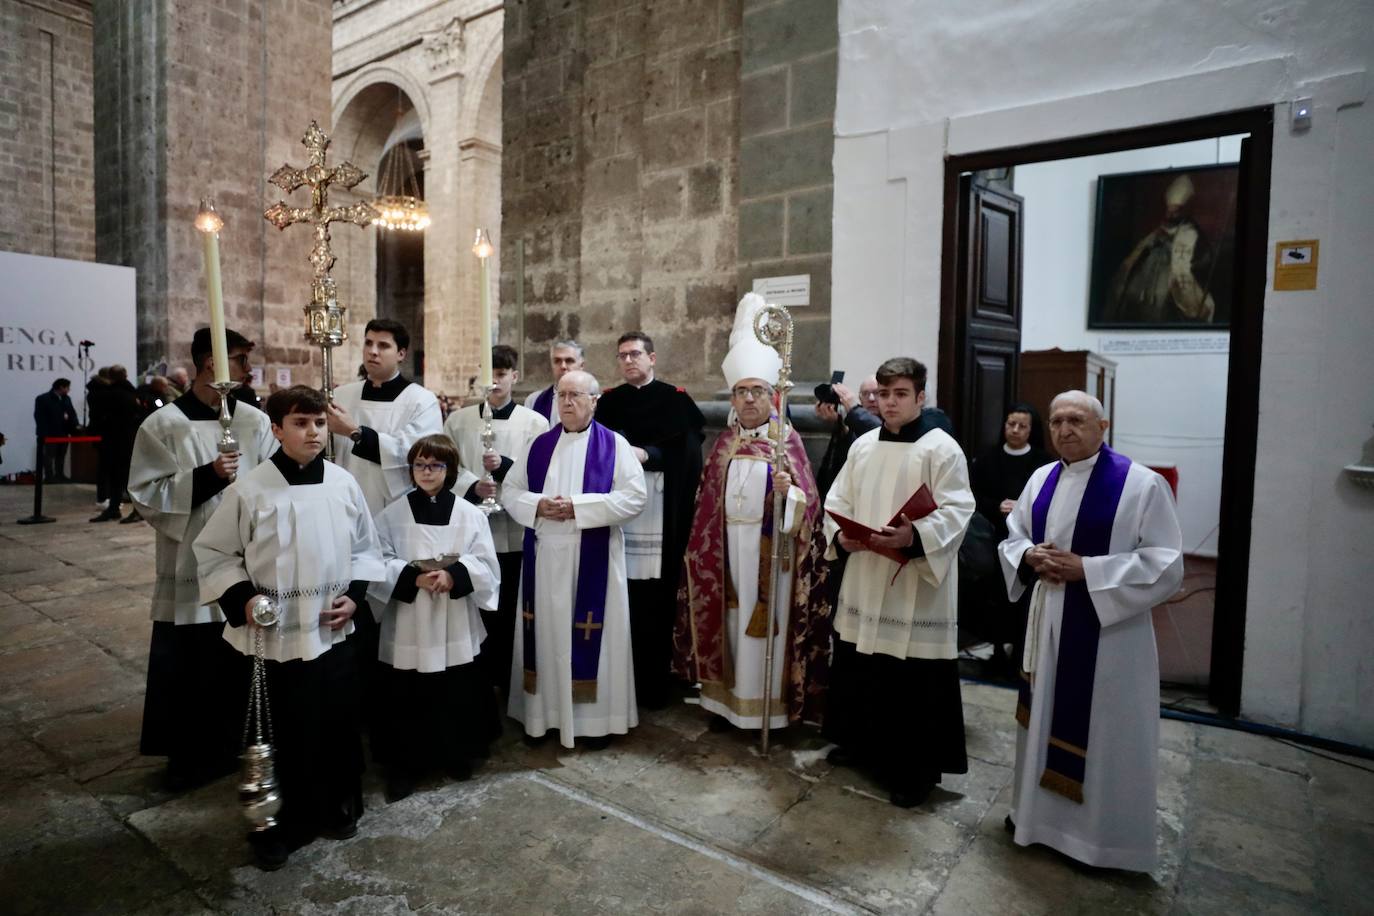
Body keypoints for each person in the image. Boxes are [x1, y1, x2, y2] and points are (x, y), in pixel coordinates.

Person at [194, 385, 385, 872]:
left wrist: (355, 597)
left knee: (334, 724)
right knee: (280, 732)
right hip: (271, 638)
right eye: (301, 423)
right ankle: (273, 825)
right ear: (276, 430)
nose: (314, 432)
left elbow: (367, 548)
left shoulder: (343, 484)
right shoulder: (250, 490)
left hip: (331, 632)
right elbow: (214, 554)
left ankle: (332, 805)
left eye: (319, 423)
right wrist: (245, 598)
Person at [998, 390, 1183, 873]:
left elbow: (1165, 565)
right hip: (1047, 617)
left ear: (1103, 427)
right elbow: (1014, 536)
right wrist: (1028, 557)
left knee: (1104, 731)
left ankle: (1099, 843)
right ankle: (1035, 820)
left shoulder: (1141, 486)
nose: (1064, 429)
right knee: (1039, 717)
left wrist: (1091, 571)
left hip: (1108, 632)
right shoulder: (1041, 477)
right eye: (1057, 421)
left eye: (1077, 420)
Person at [673, 294, 831, 732]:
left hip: (771, 555)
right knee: (729, 623)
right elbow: (706, 504)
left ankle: (769, 710)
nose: (747, 400)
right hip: (726, 554)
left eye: (756, 391)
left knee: (767, 631)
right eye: (740, 392)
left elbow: (810, 507)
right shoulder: (723, 444)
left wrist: (791, 493)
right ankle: (725, 705)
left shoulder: (787, 443)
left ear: (771, 395)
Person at [822, 357, 975, 808]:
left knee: (911, 678)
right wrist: (840, 534)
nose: (890, 403)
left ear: (921, 397)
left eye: (901, 394)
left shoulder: (940, 448)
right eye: (884, 395)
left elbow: (958, 510)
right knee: (859, 661)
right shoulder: (864, 445)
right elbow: (838, 496)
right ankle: (860, 744)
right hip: (867, 570)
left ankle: (915, 771)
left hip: (912, 580)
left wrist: (915, 536)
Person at [129, 328, 277, 789]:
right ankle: (191, 754)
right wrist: (208, 476)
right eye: (239, 359)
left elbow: (275, 478)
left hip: (247, 561)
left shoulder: (253, 421)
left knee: (240, 655)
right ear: (211, 364)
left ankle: (240, 740)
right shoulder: (164, 425)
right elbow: (145, 494)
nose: (249, 369)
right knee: (192, 662)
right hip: (190, 564)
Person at [502, 370, 647, 749]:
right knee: (548, 636)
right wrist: (539, 505)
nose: (566, 402)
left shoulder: (615, 445)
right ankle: (544, 717)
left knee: (591, 639)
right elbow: (511, 490)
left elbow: (635, 498)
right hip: (546, 557)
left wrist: (577, 508)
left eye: (576, 395)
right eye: (561, 395)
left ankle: (594, 724)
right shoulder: (538, 445)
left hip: (592, 556)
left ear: (594, 401)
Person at [369, 434, 502, 802]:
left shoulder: (470, 514)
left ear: (450, 470)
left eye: (436, 465)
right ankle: (403, 766)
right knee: (405, 695)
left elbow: (487, 563)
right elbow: (377, 558)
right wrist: (411, 576)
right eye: (420, 465)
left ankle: (455, 755)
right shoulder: (391, 514)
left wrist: (454, 575)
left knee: (454, 690)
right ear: (411, 470)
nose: (427, 472)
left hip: (453, 616)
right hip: (410, 619)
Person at [594, 331, 705, 709]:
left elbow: (688, 451)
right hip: (618, 509)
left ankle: (653, 683)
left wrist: (650, 454)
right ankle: (616, 678)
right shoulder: (608, 403)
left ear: (652, 358)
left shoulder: (675, 400)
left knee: (655, 596)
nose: (628, 361)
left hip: (659, 507)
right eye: (622, 355)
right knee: (619, 591)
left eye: (635, 354)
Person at [444, 344, 549, 694]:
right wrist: (472, 485)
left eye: (503, 374)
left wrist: (505, 468)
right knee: (479, 601)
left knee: (512, 605)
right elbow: (448, 467)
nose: (496, 382)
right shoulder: (459, 421)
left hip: (516, 531)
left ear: (514, 377)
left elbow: (543, 472)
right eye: (490, 375)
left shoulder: (534, 423)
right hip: (474, 526)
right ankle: (480, 673)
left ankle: (512, 675)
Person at [966, 403, 1052, 674]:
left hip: (1028, 540)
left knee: (1022, 597)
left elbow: (1049, 499)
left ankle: (1020, 651)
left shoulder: (1043, 462)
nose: (1014, 430)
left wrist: (1022, 507)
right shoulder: (987, 459)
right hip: (992, 537)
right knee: (994, 598)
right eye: (1010, 424)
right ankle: (996, 649)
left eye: (1022, 426)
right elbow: (973, 496)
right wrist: (996, 506)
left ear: (1031, 430)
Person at [327, 319, 443, 516]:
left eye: (383, 346)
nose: (373, 351)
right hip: (344, 502)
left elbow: (417, 455)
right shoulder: (341, 396)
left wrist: (355, 433)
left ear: (401, 354)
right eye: (368, 343)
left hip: (396, 507)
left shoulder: (421, 400)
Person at [1104, 173, 1219, 325]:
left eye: (1176, 210)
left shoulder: (1190, 232)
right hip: (1148, 277)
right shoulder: (1159, 230)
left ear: (1183, 211)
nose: (1171, 214)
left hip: (1171, 281)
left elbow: (1202, 259)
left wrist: (1175, 253)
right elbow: (1140, 252)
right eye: (1169, 210)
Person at [90, 365, 145, 522]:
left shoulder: (110, 395)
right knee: (125, 477)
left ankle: (128, 509)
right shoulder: (131, 392)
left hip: (115, 441)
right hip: (129, 440)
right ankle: (117, 508)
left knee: (119, 477)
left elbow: (101, 418)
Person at [524, 339, 586, 423]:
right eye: (557, 361)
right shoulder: (533, 401)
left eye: (569, 361)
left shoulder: (595, 402)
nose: (563, 366)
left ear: (581, 366)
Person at [34, 378, 78, 482]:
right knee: (49, 456)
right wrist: (44, 433)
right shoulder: (43, 399)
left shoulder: (67, 399)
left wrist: (75, 425)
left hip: (64, 432)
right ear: (61, 387)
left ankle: (60, 475)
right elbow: (39, 417)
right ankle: (49, 477)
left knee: (61, 456)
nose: (69, 390)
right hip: (50, 433)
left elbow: (72, 413)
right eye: (67, 387)